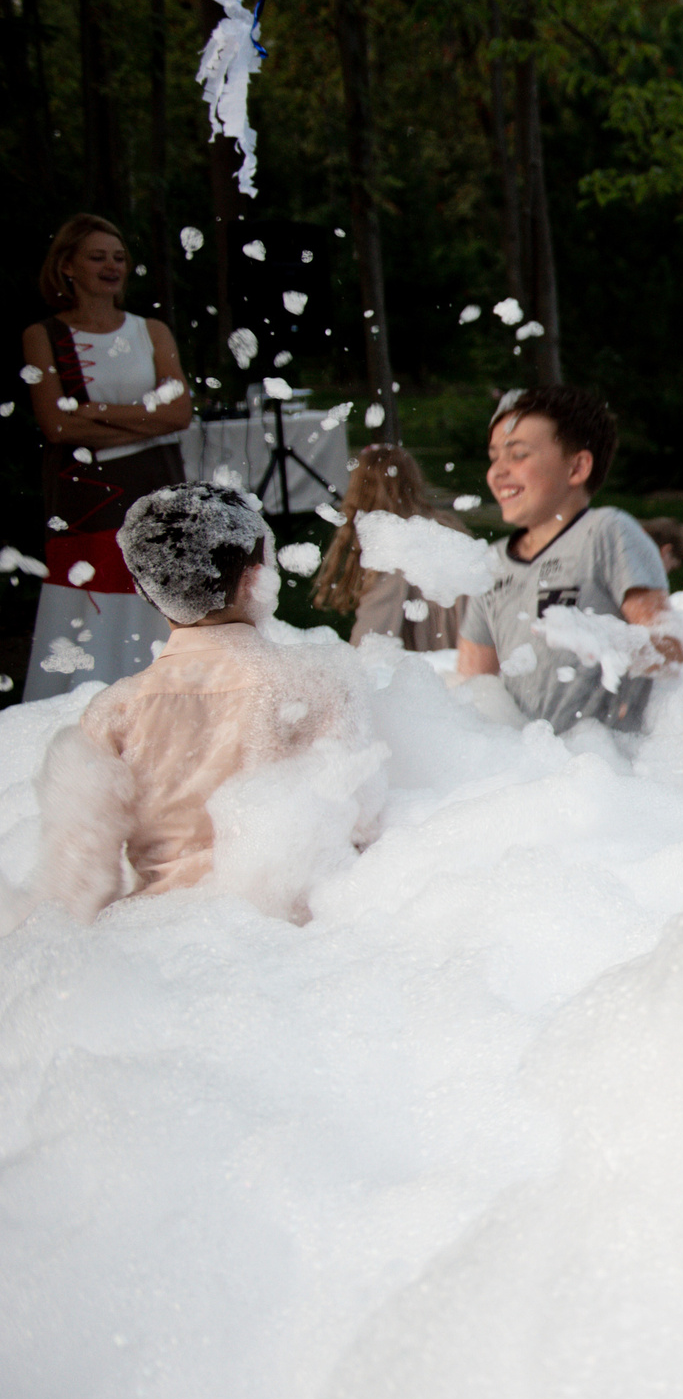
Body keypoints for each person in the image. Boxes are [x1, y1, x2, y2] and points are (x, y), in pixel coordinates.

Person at [34, 483, 366, 920]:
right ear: (256, 579)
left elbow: (75, 885)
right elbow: (360, 831)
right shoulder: (317, 684)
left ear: (145, 590)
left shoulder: (113, 713)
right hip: (287, 933)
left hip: (161, 936)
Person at [20, 215, 194, 700]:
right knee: (90, 611)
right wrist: (143, 420)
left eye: (118, 257)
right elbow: (57, 425)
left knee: (153, 599)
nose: (111, 266)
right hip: (86, 498)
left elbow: (179, 412)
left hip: (155, 488)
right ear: (68, 266)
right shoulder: (44, 336)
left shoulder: (151, 331)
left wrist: (97, 415)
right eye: (97, 257)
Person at [456, 387, 683, 732]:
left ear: (577, 467)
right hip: (524, 762)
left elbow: (673, 652)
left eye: (518, 455)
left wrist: (607, 640)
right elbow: (472, 687)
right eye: (493, 457)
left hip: (603, 765)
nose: (497, 472)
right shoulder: (493, 564)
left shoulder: (606, 533)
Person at [311, 444, 471, 651]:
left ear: (359, 491)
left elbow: (373, 636)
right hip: (465, 641)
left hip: (432, 652)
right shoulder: (446, 525)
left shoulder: (390, 548)